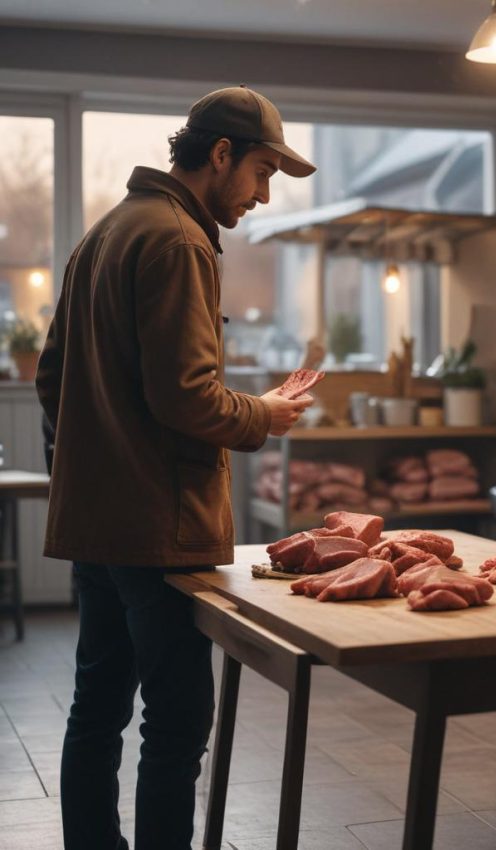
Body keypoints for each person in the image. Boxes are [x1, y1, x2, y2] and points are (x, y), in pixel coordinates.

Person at [35, 85, 317, 850]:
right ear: (220, 154)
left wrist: (100, 458)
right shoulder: (180, 240)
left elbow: (50, 379)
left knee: (97, 709)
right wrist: (265, 413)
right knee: (178, 720)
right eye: (261, 172)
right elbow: (188, 399)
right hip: (156, 534)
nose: (263, 195)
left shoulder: (105, 233)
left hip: (97, 526)